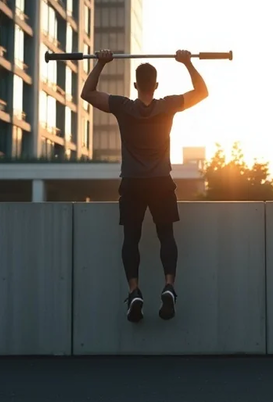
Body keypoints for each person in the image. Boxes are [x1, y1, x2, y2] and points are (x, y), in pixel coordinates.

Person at [81, 49, 209, 322]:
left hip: (133, 183)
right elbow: (201, 91)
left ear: (136, 85)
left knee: (131, 239)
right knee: (166, 236)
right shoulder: (168, 104)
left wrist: (100, 63)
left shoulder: (123, 105)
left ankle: (134, 290)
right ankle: (169, 285)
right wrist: (187, 63)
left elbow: (88, 93)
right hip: (161, 181)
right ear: (157, 85)